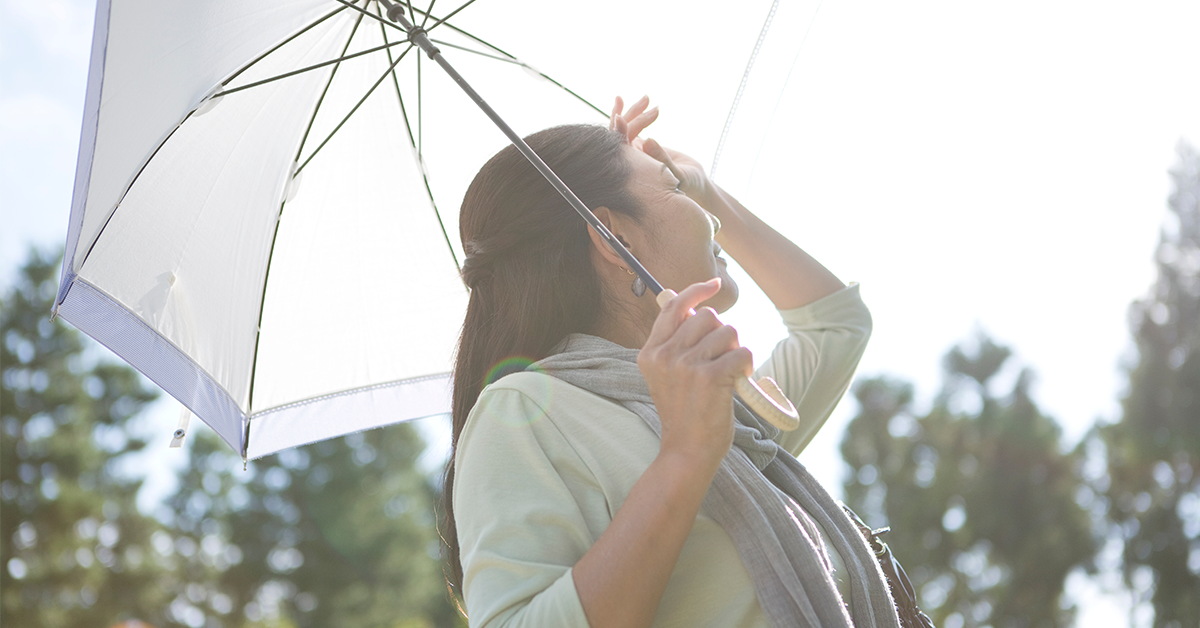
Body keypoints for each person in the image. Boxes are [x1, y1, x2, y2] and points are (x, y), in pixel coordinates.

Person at [443, 96, 902, 628]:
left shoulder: (723, 409)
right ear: (615, 239)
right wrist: (686, 454)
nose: (708, 218)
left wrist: (707, 188)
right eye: (677, 189)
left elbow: (836, 324)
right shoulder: (524, 410)